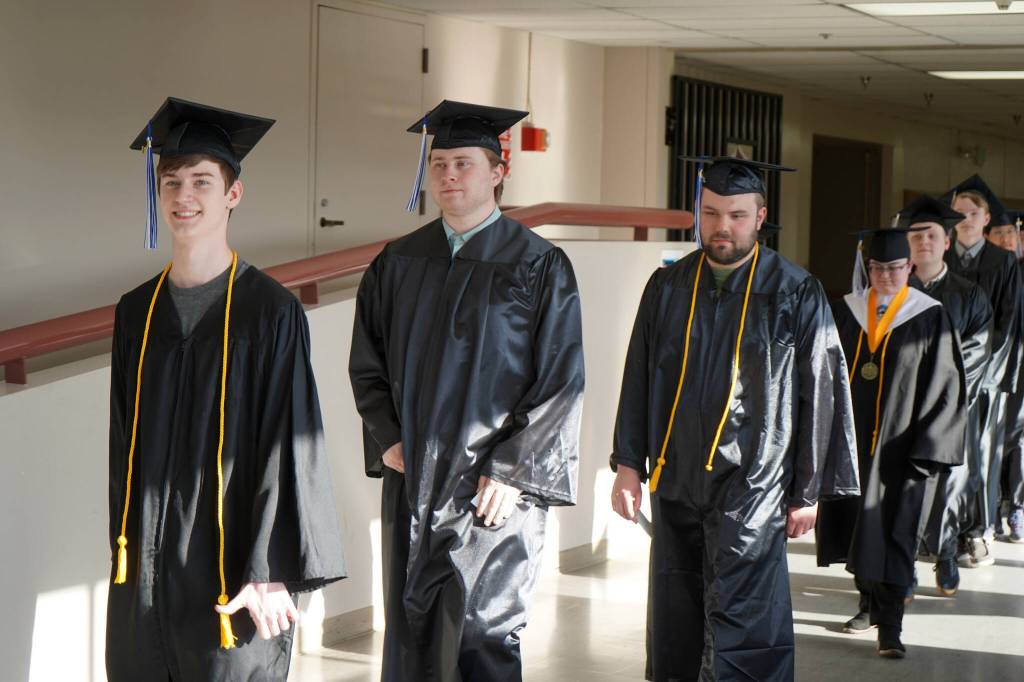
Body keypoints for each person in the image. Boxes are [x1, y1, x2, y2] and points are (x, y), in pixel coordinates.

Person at [107, 97, 346, 681]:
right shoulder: (136, 312)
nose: (184, 195)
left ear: (232, 195)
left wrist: (271, 567)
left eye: (202, 181)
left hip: (233, 571)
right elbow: (123, 450)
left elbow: (292, 444)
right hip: (148, 571)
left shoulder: (270, 312)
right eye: (172, 182)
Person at [349, 100, 585, 682]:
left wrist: (512, 469)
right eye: (440, 164)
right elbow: (367, 364)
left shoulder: (539, 265)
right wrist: (387, 438)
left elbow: (560, 381)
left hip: (493, 488)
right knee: (411, 634)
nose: (448, 176)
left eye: (463, 164)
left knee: (483, 635)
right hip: (415, 479)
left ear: (498, 171)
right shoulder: (398, 261)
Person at [610, 156, 859, 682]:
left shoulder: (794, 290)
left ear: (760, 216)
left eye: (737, 215)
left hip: (754, 482)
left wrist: (808, 490)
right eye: (711, 212)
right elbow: (638, 375)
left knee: (747, 618)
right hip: (675, 479)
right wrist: (629, 464)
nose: (722, 226)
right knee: (676, 614)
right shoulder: (669, 286)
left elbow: (822, 391)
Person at [818, 227, 965, 659]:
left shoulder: (929, 315)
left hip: (904, 451)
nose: (886, 275)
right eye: (878, 268)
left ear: (910, 268)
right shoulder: (845, 312)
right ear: (869, 268)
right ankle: (866, 605)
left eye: (896, 268)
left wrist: (930, 447)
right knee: (854, 525)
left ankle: (892, 628)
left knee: (896, 532)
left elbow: (946, 387)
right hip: (852, 445)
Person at [902, 195, 993, 596]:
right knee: (901, 487)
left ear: (945, 240)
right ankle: (900, 566)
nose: (924, 241)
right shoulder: (893, 290)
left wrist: (940, 394)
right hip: (899, 409)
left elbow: (978, 349)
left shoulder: (968, 293)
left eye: (932, 235)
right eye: (916, 235)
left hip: (951, 409)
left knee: (951, 482)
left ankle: (945, 557)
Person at [943, 174, 1022, 564]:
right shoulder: (942, 259)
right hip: (941, 376)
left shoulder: (1004, 262)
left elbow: (1010, 325)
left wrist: (985, 375)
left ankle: (978, 531)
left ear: (987, 218)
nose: (965, 219)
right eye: (957, 213)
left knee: (982, 453)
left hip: (984, 379)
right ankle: (942, 530)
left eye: (972, 213)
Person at [987, 209, 1024, 543]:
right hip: (996, 366)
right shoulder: (992, 271)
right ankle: (993, 507)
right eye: (1001, 235)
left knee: (1020, 439)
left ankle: (1016, 506)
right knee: (998, 437)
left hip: (1021, 368)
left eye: (1012, 235)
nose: (1009, 241)